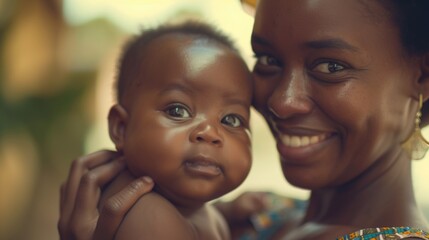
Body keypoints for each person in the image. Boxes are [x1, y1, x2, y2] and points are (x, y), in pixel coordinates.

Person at [58, 0, 429, 239]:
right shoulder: (263, 215)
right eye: (267, 60)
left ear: (422, 77)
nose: (281, 103)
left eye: (330, 66)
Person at [80, 20, 256, 240]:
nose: (210, 132)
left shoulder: (184, 204)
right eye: (178, 111)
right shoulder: (149, 218)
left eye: (231, 120)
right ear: (121, 128)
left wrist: (225, 212)